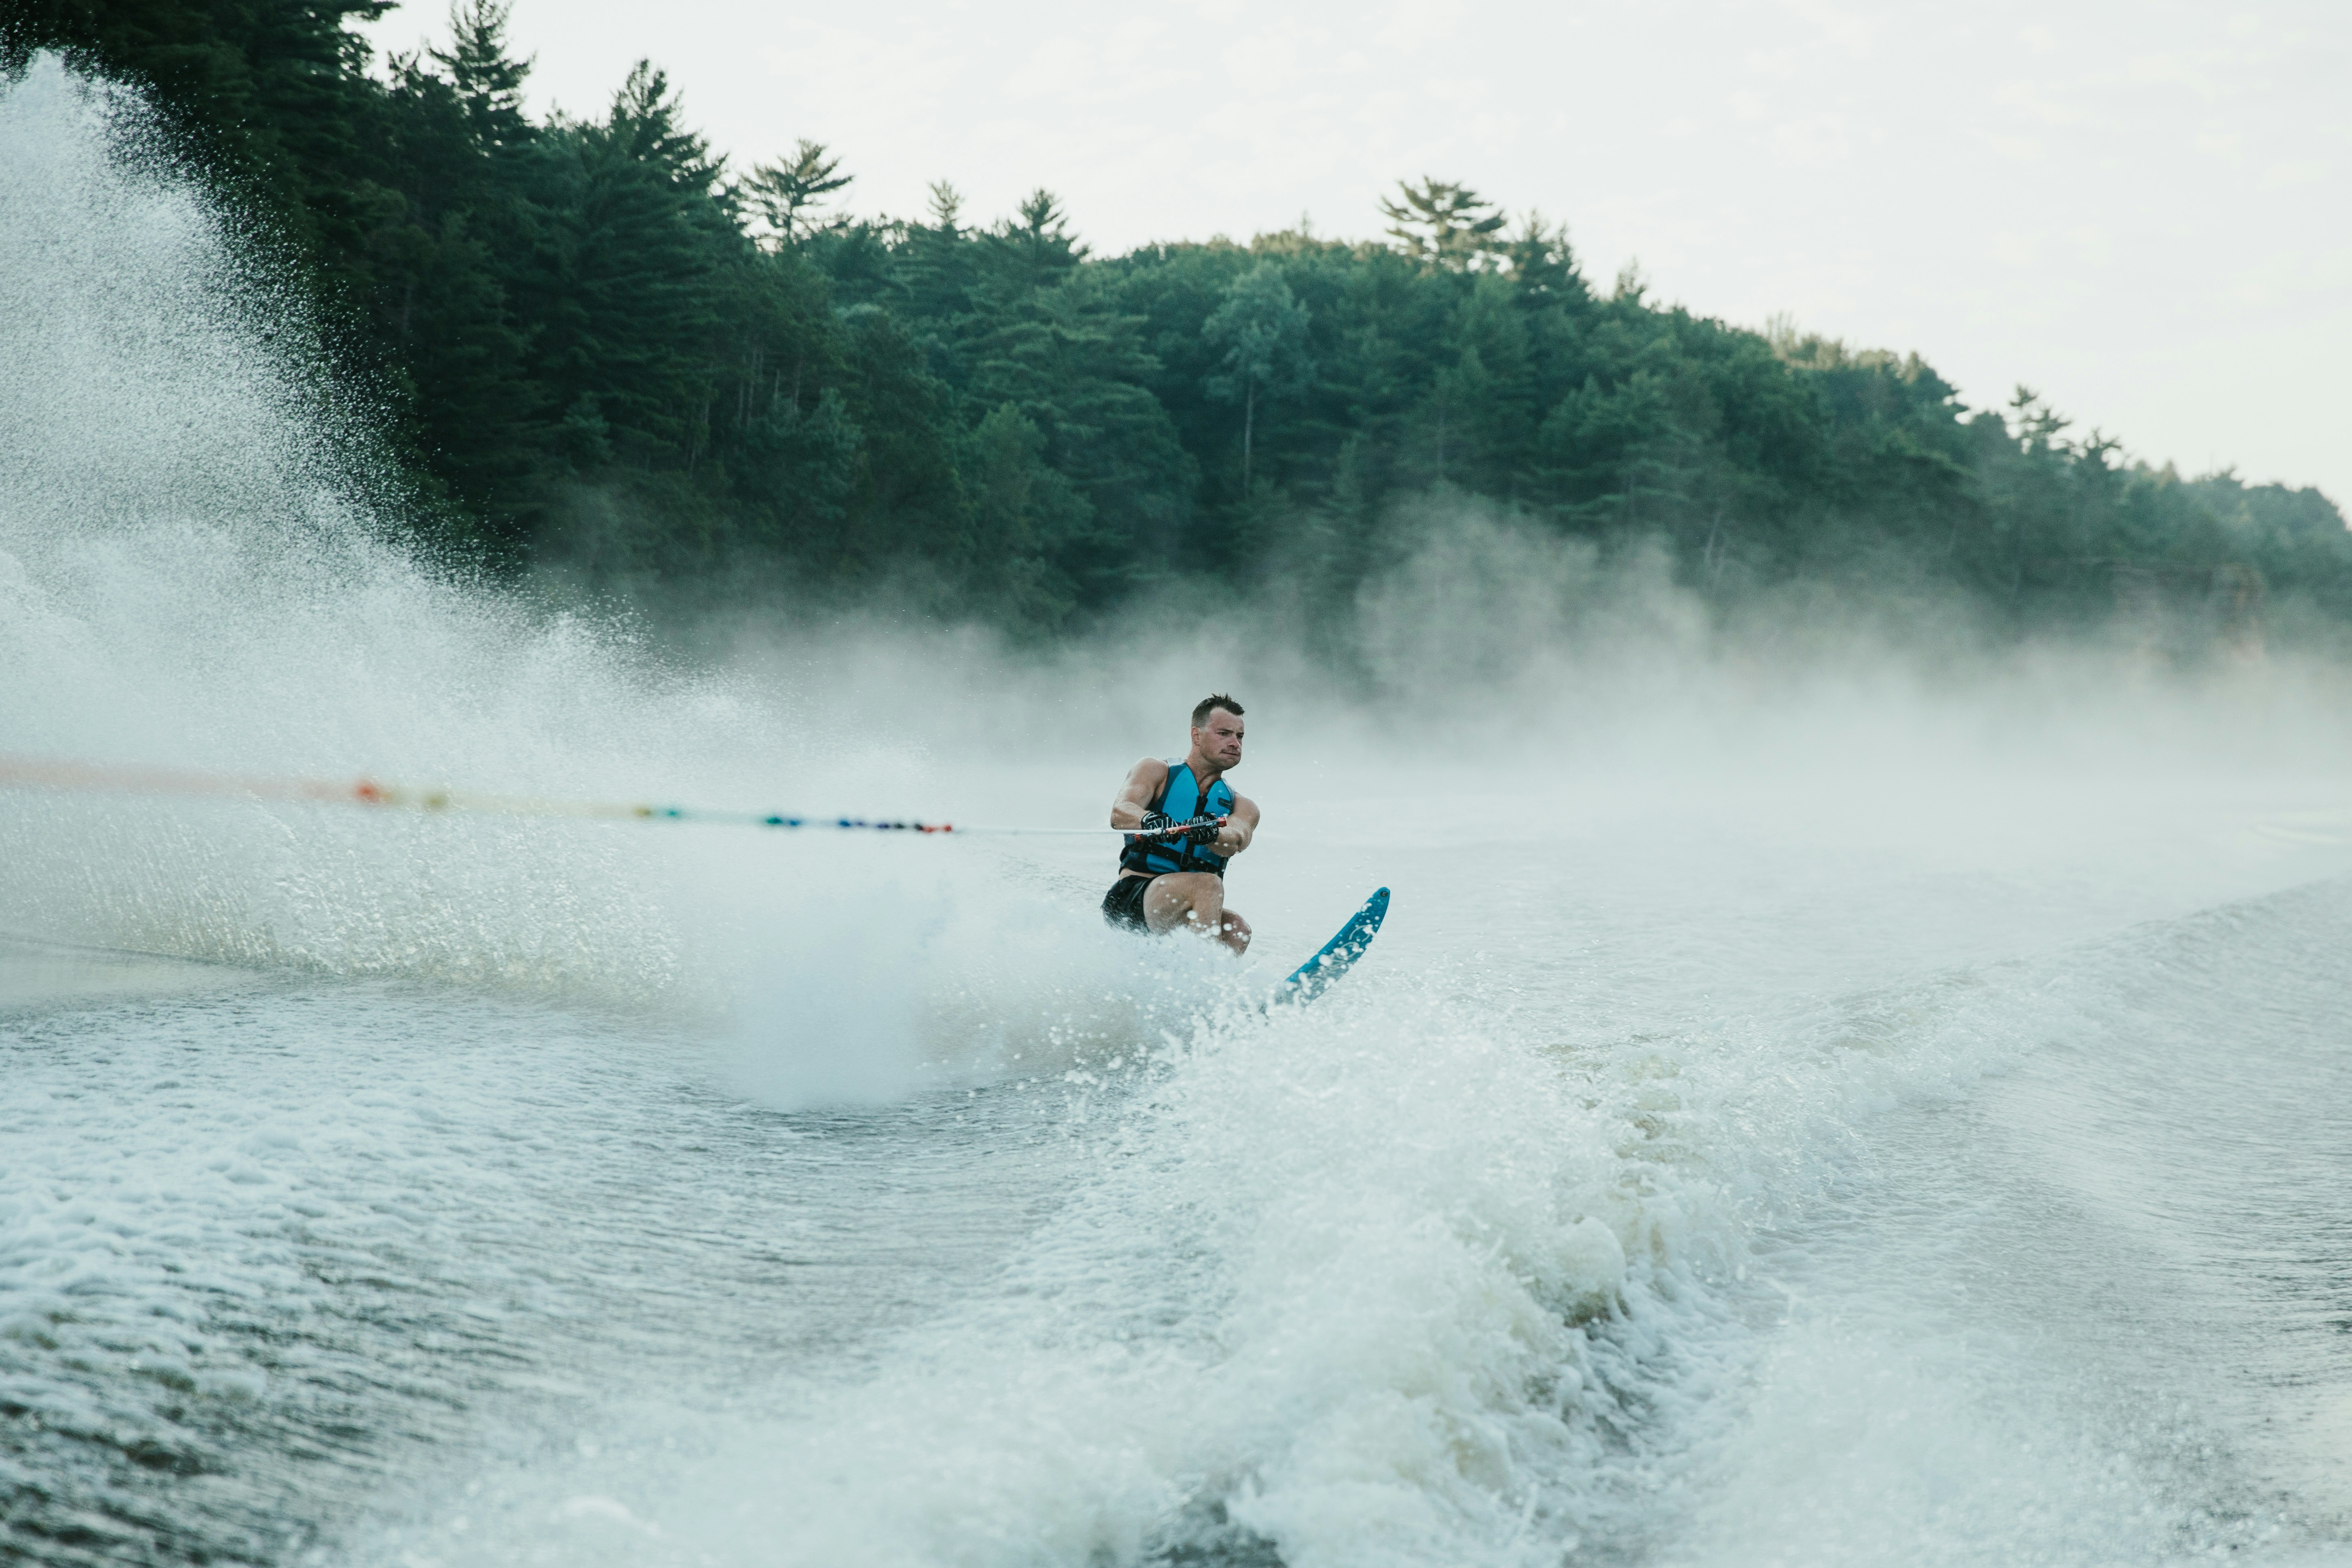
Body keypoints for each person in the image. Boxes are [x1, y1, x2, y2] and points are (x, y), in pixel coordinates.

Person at [1102, 694, 1261, 953]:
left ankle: (1210, 974)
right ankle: (1205, 974)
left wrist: (1212, 834)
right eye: (1224, 734)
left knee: (1237, 928)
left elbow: (1236, 838)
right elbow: (1120, 812)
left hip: (1179, 909)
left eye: (1240, 736)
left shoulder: (1244, 807)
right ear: (1196, 736)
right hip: (1132, 900)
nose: (1235, 743)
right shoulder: (1155, 770)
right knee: (1208, 885)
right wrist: (1148, 819)